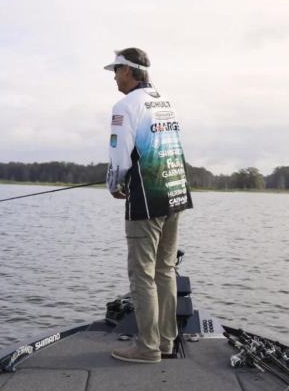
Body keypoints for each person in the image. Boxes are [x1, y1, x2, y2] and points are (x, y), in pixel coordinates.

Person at [104, 48, 193, 363]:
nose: (114, 77)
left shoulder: (125, 106)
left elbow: (119, 154)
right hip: (176, 192)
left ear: (128, 71)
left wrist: (114, 184)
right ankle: (166, 342)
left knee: (142, 274)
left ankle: (147, 347)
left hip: (147, 199)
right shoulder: (166, 102)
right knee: (165, 270)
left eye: (116, 71)